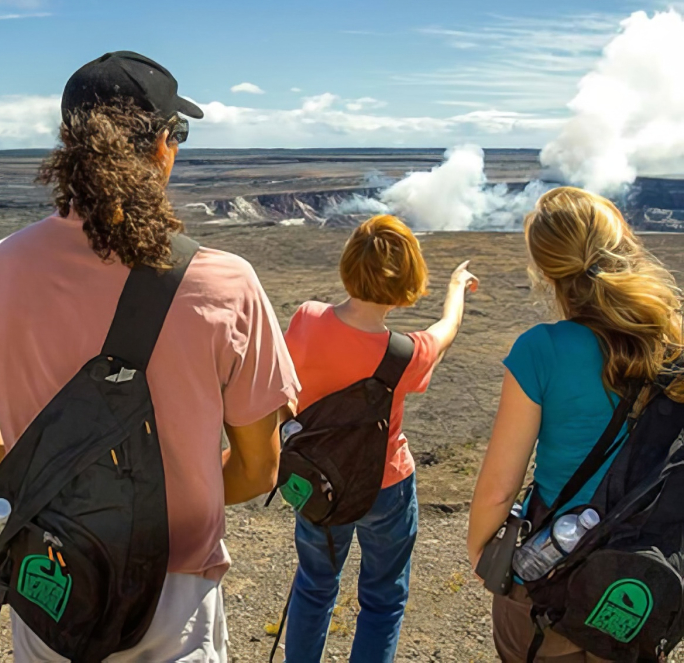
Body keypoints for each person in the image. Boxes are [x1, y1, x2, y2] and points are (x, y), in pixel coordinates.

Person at [0, 50, 299, 662]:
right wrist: (154, 499)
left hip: (48, 586)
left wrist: (63, 485)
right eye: (177, 133)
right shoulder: (225, 285)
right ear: (162, 146)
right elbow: (257, 470)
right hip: (173, 597)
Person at [467, 187, 684, 662]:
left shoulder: (540, 349)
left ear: (546, 270)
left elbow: (499, 490)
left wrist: (484, 555)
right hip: (638, 580)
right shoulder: (674, 341)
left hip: (549, 581)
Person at [282, 214, 477, 662]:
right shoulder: (406, 353)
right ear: (407, 280)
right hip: (385, 486)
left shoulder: (307, 319)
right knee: (384, 598)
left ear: (349, 264)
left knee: (313, 586)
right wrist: (454, 288)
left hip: (317, 480)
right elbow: (445, 332)